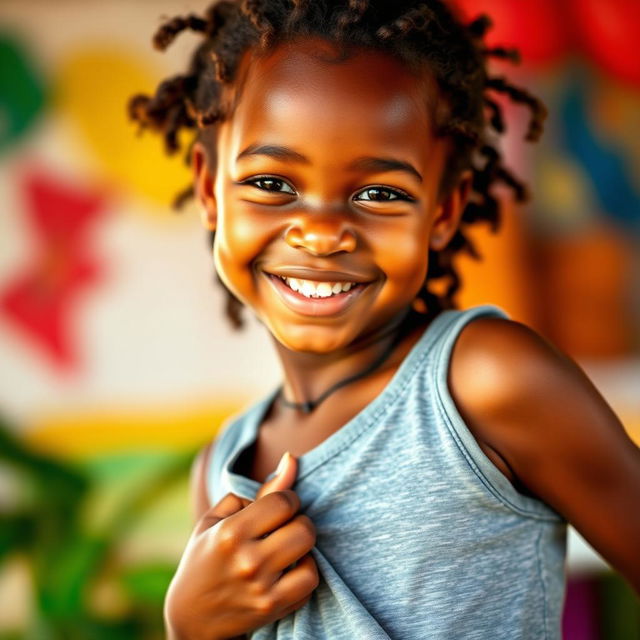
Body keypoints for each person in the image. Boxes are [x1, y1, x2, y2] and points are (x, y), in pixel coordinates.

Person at [128, 1, 640, 638]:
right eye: (271, 183)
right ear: (210, 190)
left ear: (443, 211)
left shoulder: (483, 382)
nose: (319, 233)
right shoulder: (220, 468)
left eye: (380, 194)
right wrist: (189, 627)